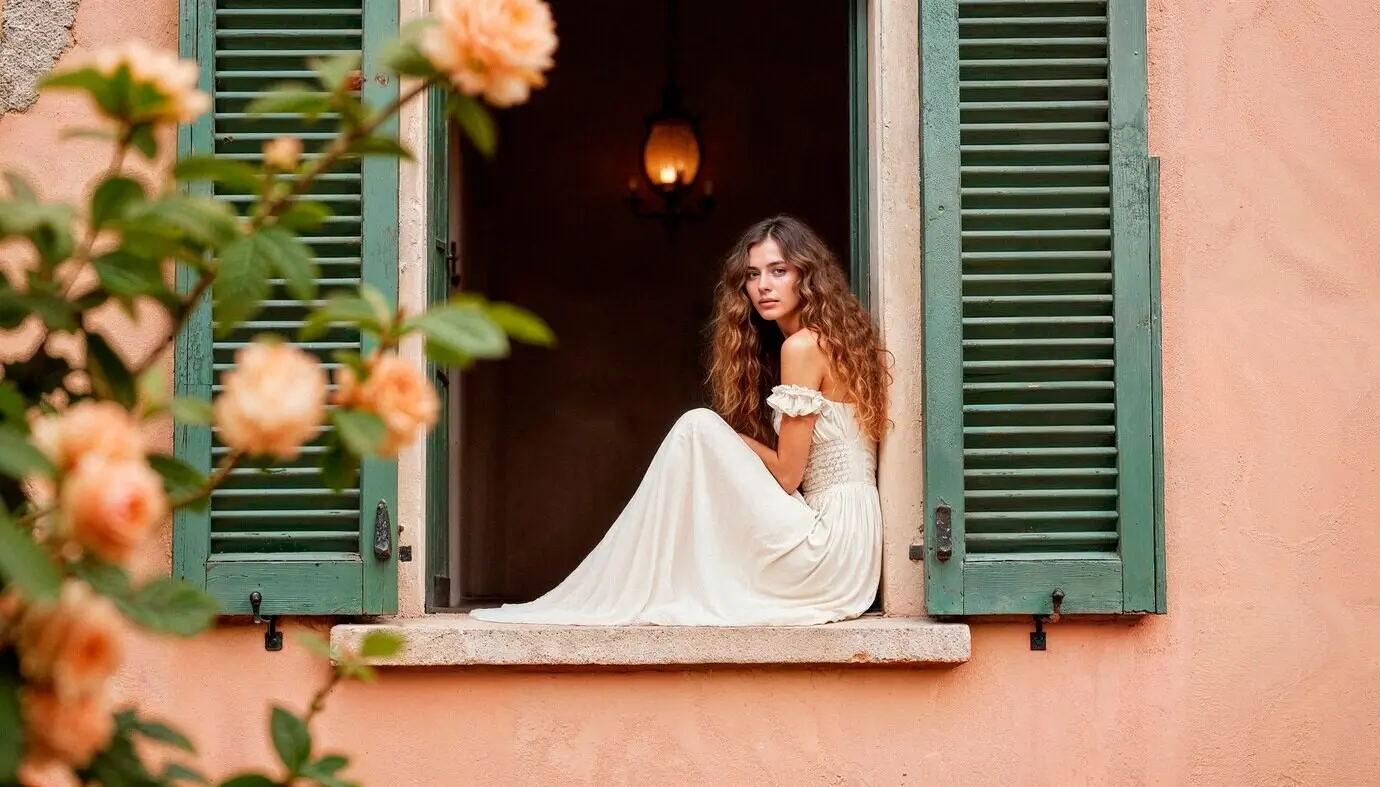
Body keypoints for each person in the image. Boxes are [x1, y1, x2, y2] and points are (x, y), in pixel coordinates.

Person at [469, 215, 889, 626]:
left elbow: (786, 476)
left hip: (828, 548)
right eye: (752, 274)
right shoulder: (832, 339)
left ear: (807, 276)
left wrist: (727, 439)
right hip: (851, 544)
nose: (763, 285)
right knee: (702, 434)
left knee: (697, 427)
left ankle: (630, 583)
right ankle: (639, 582)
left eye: (779, 270)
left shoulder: (801, 347)